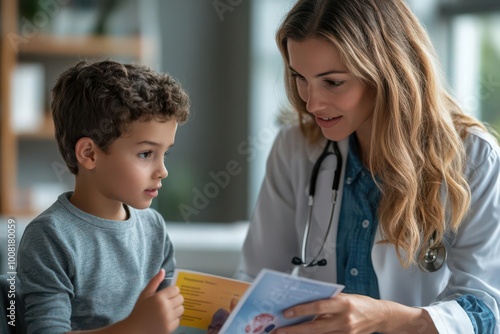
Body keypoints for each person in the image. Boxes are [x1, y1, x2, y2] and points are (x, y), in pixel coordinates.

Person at [236, 0, 500, 333]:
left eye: (332, 82)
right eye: (300, 77)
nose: (311, 102)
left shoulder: (474, 157)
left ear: (387, 73)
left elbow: (487, 310)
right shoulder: (296, 147)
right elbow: (256, 276)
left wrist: (385, 317)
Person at [17, 59, 190, 334]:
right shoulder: (50, 237)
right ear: (89, 154)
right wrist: (133, 328)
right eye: (146, 154)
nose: (163, 171)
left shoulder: (154, 228)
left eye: (164, 154)